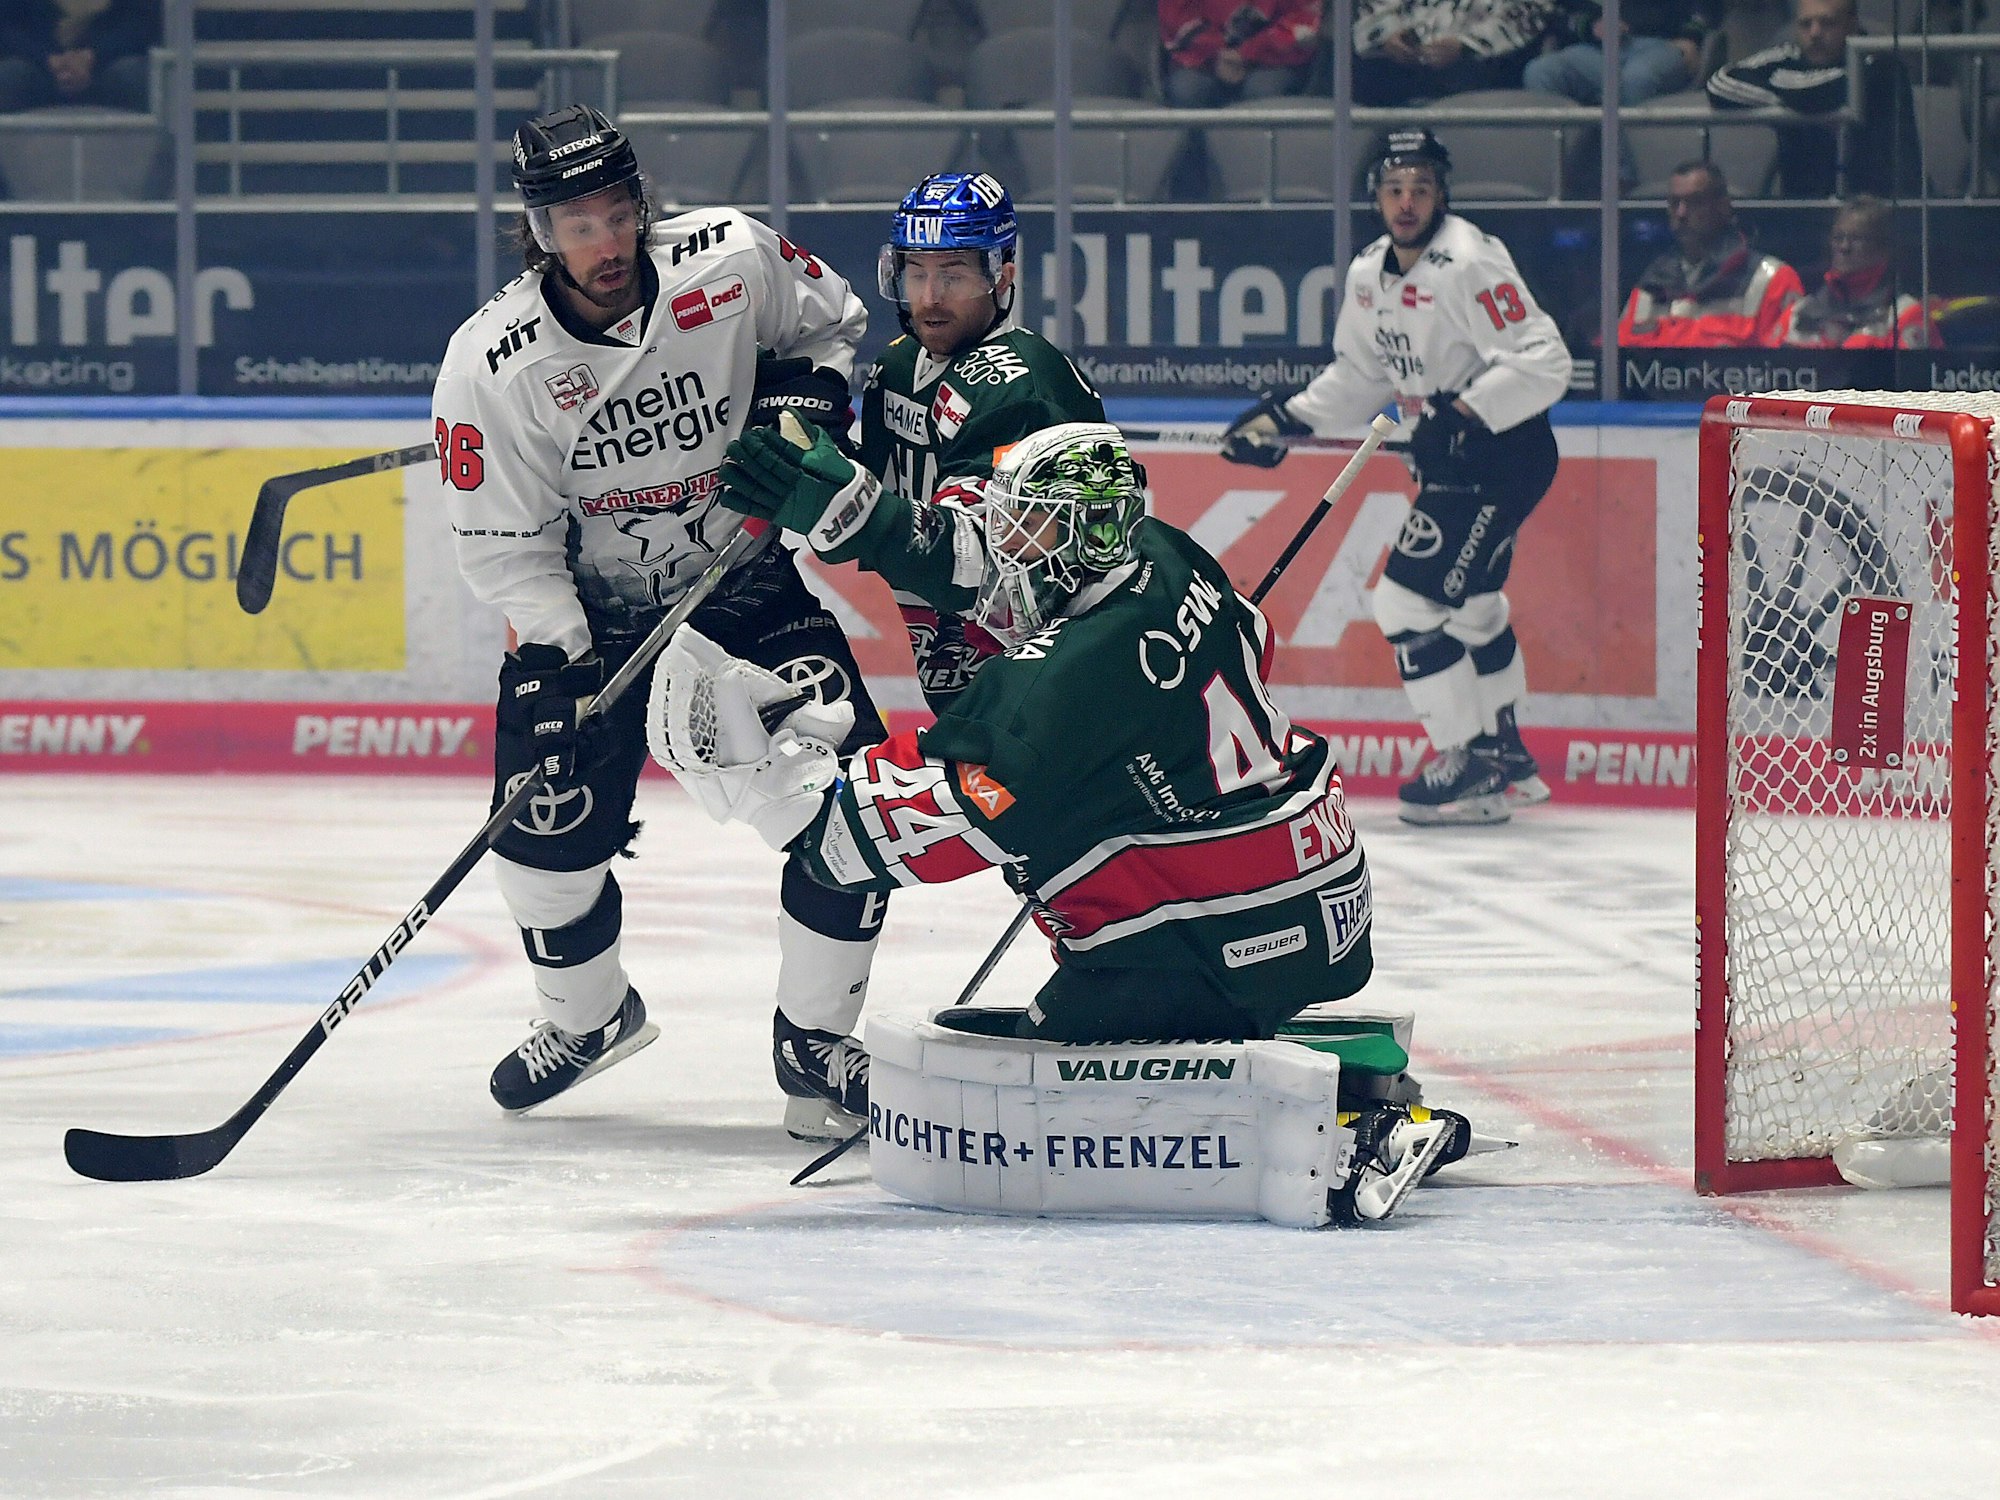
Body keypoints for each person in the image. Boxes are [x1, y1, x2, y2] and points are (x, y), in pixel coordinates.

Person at [657, 419, 1465, 1221]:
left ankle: (1356, 1133)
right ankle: (1359, 1086)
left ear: (1082, 534)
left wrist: (763, 780)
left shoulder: (1059, 686)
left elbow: (867, 842)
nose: (1005, 543)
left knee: (1038, 1099)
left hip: (1217, 938)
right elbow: (1251, 642)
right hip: (1321, 891)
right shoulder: (1165, 552)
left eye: (1026, 524)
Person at [428, 105, 887, 1138]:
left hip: (747, 593)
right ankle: (587, 1020)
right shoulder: (491, 364)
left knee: (857, 814)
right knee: (537, 852)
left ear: (640, 204)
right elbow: (506, 547)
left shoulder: (729, 258)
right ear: (539, 233)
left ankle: (815, 1051)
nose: (604, 243)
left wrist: (810, 394)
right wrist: (556, 663)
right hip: (592, 627)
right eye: (574, 225)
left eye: (615, 213)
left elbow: (830, 320)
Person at [1218, 129, 1571, 827]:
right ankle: (1505, 755)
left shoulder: (1470, 260)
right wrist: (1284, 420)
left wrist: (1462, 412)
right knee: (1470, 607)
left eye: (1421, 188)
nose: (1406, 202)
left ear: (1442, 194)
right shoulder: (1367, 273)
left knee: (1405, 605)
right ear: (1375, 196)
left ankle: (1466, 763)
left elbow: (1545, 361)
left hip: (1499, 459)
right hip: (1455, 465)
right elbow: (1360, 377)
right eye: (1393, 189)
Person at [860, 171, 1106, 714]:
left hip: (1050, 676)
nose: (930, 297)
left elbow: (970, 553)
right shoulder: (897, 366)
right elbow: (875, 487)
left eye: (953, 275)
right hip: (950, 652)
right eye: (916, 273)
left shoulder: (1023, 386)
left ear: (1002, 276)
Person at [1705, 0, 1920, 199]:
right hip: (1803, 206)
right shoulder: (1787, 56)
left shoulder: (1881, 62)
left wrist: (1780, 86)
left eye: (1827, 23)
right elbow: (1719, 83)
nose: (1815, 33)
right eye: (1805, 24)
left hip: (1877, 207)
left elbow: (1820, 93)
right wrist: (1783, 100)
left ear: (1851, 25)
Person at [1617, 159, 1803, 346]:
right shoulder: (1649, 285)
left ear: (1723, 206)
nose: (1681, 213)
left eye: (1695, 202)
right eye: (1674, 203)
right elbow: (1615, 355)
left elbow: (1792, 361)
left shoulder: (1774, 281)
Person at [1769, 195, 1939, 349]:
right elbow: (1767, 369)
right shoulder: (1797, 314)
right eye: (1838, 238)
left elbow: (1919, 373)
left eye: (1857, 239)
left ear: (1883, 249)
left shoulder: (1905, 315)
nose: (1844, 247)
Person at [1353, 1, 1559, 107]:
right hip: (1396, 64)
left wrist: (1466, 45)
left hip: (1485, 64)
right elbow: (1375, 8)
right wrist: (1386, 36)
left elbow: (1531, 10)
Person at [0, 0, 157, 113]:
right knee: (8, 77)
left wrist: (92, 56)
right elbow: (6, 25)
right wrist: (47, 60)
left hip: (107, 63)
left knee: (138, 77)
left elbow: (143, 21)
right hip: (37, 65)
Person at [1159, 1, 1324, 108]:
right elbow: (1175, 20)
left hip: (1274, 60)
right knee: (1188, 90)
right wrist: (1216, 54)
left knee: (1262, 93)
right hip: (1202, 60)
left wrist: (1248, 53)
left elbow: (1302, 20)